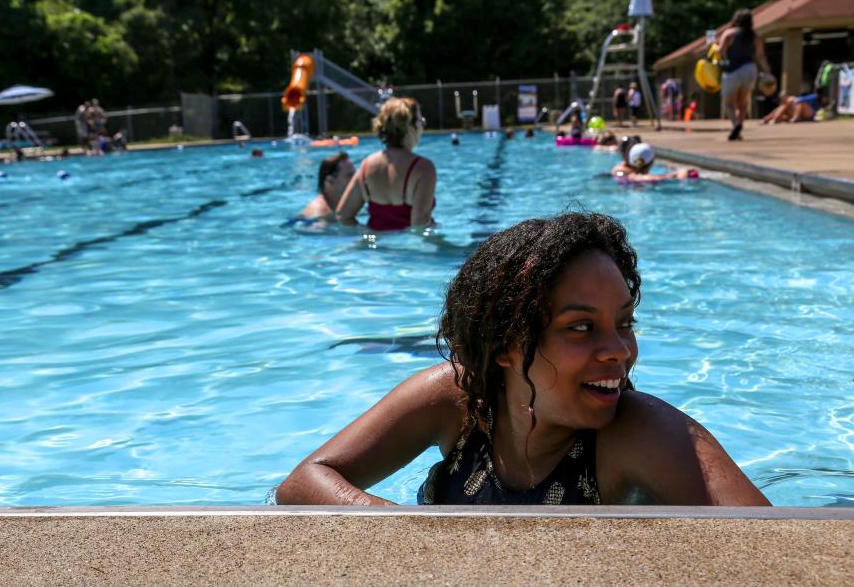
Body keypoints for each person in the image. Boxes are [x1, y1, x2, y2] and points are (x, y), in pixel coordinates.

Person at [276, 212, 770, 506]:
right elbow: (303, 484)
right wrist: (419, 541)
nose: (619, 350)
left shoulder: (637, 434)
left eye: (623, 322)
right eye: (581, 327)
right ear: (508, 344)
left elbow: (780, 544)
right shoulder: (458, 400)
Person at [336, 97, 436, 230]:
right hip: (409, 248)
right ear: (410, 127)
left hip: (376, 248)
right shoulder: (423, 168)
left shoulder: (367, 165)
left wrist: (370, 236)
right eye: (420, 121)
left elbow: (343, 216)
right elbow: (420, 224)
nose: (422, 126)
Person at [717, 9, 771, 141]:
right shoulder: (754, 36)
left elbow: (720, 51)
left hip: (733, 70)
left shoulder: (729, 34)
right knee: (743, 102)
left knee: (729, 103)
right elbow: (761, 56)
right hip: (750, 69)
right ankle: (740, 126)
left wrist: (715, 46)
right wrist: (768, 72)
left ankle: (736, 125)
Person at [302, 151, 355, 220]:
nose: (355, 179)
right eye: (349, 175)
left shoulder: (341, 205)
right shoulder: (319, 212)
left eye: (355, 175)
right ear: (331, 181)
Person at [610, 141, 696, 182]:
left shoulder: (619, 171)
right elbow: (647, 178)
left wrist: (673, 173)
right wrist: (680, 174)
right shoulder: (637, 177)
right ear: (652, 161)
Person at [761, 88, 829, 124]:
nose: (782, 99)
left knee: (800, 102)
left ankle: (795, 118)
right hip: (798, 113)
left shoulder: (813, 97)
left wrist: (793, 100)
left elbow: (800, 100)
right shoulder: (785, 105)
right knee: (783, 107)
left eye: (783, 97)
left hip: (809, 113)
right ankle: (768, 119)